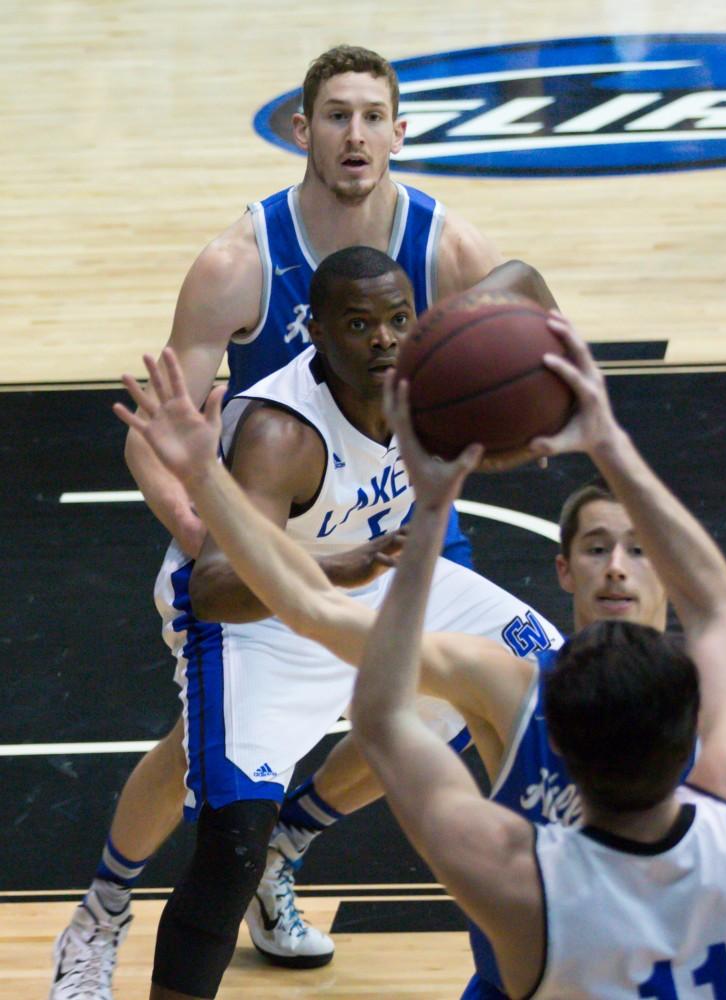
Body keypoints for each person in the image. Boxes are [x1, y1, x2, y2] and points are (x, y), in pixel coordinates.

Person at [50, 43, 560, 998]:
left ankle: (294, 842)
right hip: (264, 529)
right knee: (202, 768)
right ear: (302, 128)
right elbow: (159, 438)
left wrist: (529, 409)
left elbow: (525, 310)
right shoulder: (240, 261)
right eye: (336, 115)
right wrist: (232, 543)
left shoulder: (446, 249)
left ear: (400, 132)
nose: (355, 134)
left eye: (373, 116)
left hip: (392, 524)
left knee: (463, 697)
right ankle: (105, 911)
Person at [114, 313, 726, 999]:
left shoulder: (520, 882)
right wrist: (611, 444)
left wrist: (211, 480)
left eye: (636, 549)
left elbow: (340, 651)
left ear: (567, 742)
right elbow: (719, 609)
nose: (616, 569)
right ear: (689, 742)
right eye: (598, 547)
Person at [116, 247, 563, 999]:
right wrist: (337, 569)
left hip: (374, 577)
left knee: (548, 679)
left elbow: (520, 278)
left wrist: (561, 389)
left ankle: (301, 837)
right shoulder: (278, 432)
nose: (385, 339)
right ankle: (207, 874)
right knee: (230, 847)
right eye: (360, 325)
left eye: (398, 319)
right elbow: (216, 589)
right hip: (263, 606)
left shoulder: (422, 360)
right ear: (316, 333)